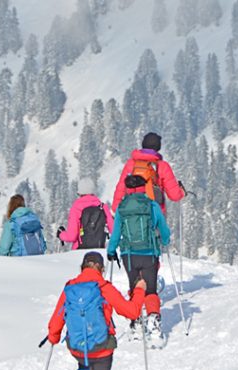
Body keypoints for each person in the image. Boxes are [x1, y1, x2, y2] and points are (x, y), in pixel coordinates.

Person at [107, 175, 171, 347]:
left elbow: (116, 232)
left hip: (129, 255)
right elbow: (163, 228)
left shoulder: (122, 208)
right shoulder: (152, 205)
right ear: (144, 187)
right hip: (149, 252)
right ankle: (154, 324)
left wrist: (111, 250)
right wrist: (165, 240)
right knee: (150, 289)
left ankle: (136, 322)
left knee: (135, 287)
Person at [111, 132, 186, 216]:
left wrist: (116, 208)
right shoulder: (162, 166)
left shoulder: (131, 164)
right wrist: (182, 192)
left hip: (131, 212)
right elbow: (174, 196)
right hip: (155, 214)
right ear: (158, 147)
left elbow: (121, 188)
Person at [56, 178, 114, 250]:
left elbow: (72, 236)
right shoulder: (102, 207)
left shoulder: (76, 208)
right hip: (99, 249)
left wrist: (61, 234)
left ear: (79, 193)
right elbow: (114, 230)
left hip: (80, 250)